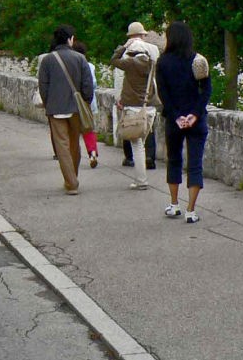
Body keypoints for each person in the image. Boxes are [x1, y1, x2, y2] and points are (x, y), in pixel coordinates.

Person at [155, 21, 211, 222]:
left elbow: (163, 93)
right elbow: (206, 91)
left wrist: (176, 115)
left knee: (174, 160)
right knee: (195, 164)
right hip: (196, 119)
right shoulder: (198, 60)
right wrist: (194, 114)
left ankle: (174, 204)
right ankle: (191, 210)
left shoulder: (162, 63)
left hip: (174, 120)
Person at [37, 25, 93, 195]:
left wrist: (48, 104)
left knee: (62, 146)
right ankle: (72, 177)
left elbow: (43, 86)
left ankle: (71, 182)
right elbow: (87, 85)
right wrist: (86, 102)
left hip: (55, 108)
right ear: (70, 39)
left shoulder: (47, 60)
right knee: (74, 144)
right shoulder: (80, 58)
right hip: (76, 107)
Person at [111, 21, 160, 184]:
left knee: (137, 145)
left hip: (133, 107)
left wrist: (124, 47)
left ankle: (141, 180)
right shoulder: (152, 61)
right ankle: (145, 169)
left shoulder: (129, 63)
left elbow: (114, 60)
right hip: (149, 105)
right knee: (144, 141)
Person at [73, 40, 101, 168]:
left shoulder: (71, 65)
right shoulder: (90, 66)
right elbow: (93, 84)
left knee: (73, 130)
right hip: (88, 103)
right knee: (88, 129)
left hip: (74, 102)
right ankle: (92, 152)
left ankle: (74, 155)